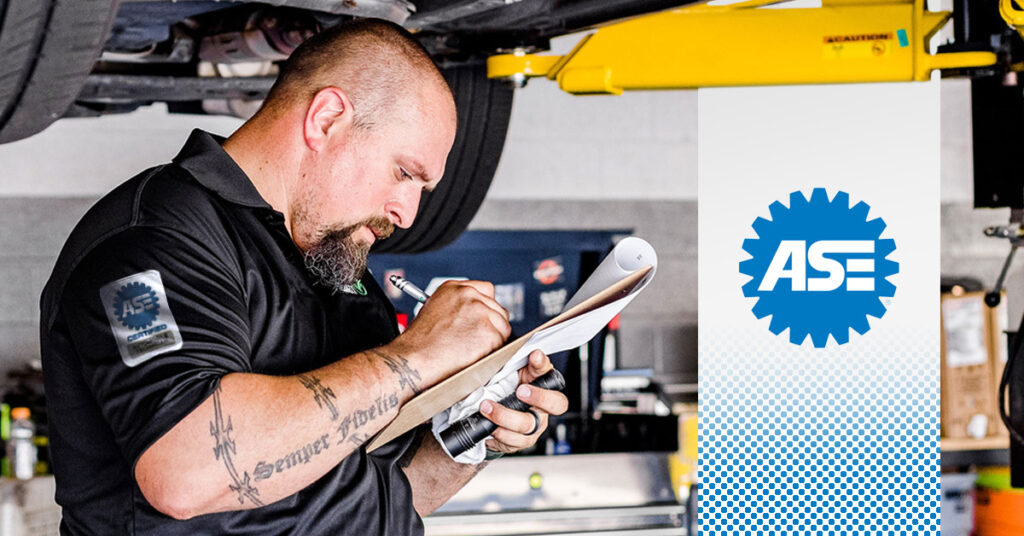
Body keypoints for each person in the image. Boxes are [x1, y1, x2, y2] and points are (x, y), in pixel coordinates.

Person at [39, 18, 568, 535]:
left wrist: (478, 431)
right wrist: (421, 355)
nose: (407, 213)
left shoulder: (336, 264)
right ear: (326, 118)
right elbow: (186, 471)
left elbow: (387, 494)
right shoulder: (150, 241)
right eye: (404, 173)